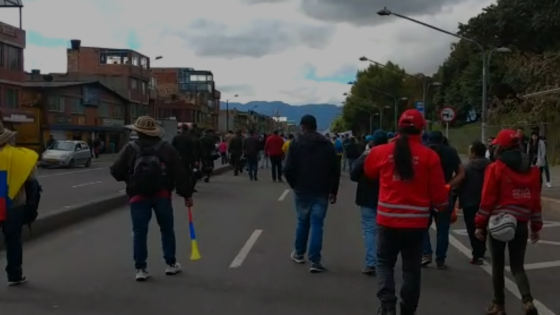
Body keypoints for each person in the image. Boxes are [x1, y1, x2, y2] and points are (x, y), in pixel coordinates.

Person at [364, 109, 448, 315]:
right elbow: (439, 197)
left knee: (384, 263)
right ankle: (408, 311)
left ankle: (387, 306)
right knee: (411, 270)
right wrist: (444, 207)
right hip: (416, 224)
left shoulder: (381, 152)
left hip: (387, 221)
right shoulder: (430, 156)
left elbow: (369, 172)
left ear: (398, 128)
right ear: (422, 129)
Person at [110, 116, 192, 281]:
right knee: (166, 229)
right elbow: (180, 172)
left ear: (138, 131)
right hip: (162, 195)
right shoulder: (166, 148)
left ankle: (141, 269)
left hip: (138, 196)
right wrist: (186, 195)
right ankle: (170, 264)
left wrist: (129, 178)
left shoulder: (130, 148)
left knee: (139, 232)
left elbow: (115, 171)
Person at [474, 129, 542, 315]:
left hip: (498, 223)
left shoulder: (495, 168)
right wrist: (535, 227)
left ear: (500, 147)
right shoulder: (533, 170)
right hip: (520, 223)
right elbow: (535, 200)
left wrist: (480, 224)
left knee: (497, 265)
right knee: (517, 265)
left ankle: (499, 306)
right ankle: (527, 301)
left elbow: (487, 199)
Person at [284, 115, 340, 273]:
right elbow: (335, 170)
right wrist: (333, 191)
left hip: (302, 190)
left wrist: (294, 184)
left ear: (303, 126)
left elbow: (287, 168)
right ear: (315, 126)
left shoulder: (296, 143)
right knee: (317, 224)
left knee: (302, 222)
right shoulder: (327, 144)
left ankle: (299, 253)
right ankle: (315, 261)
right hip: (321, 190)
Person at [0, 122, 41, 286]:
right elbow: (33, 185)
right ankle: (14, 274)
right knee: (13, 241)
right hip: (13, 205)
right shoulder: (23, 157)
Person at [422, 130, 465, 269]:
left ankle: (426, 253)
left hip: (425, 194)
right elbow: (461, 173)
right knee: (443, 228)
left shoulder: (424, 152)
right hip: (444, 194)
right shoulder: (451, 152)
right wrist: (449, 185)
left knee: (422, 226)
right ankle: (440, 259)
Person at [350, 130, 388, 276]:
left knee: (369, 230)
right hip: (387, 197)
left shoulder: (367, 156)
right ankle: (384, 261)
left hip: (366, 197)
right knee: (385, 231)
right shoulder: (393, 156)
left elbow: (354, 175)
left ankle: (371, 262)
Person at [457, 140, 490, 265]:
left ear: (474, 153)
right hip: (487, 202)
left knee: (472, 228)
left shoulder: (467, 168)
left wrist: (457, 200)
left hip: (470, 202)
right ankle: (482, 249)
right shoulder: (491, 166)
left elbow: (459, 186)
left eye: (470, 151)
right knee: (484, 227)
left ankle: (477, 254)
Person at [172, 124, 200, 193]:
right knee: (187, 173)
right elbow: (192, 150)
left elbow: (172, 147)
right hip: (187, 158)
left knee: (178, 173)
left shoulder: (176, 137)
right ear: (187, 129)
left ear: (181, 129)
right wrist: (195, 160)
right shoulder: (189, 138)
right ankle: (186, 187)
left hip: (178, 157)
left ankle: (178, 188)